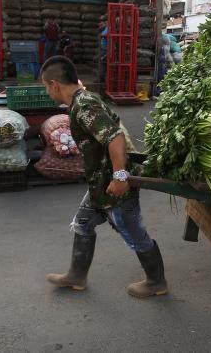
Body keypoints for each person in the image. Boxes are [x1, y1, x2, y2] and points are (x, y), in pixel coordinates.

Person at [41, 56, 168, 298]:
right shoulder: (82, 100)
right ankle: (77, 275)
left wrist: (121, 177)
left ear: (55, 84)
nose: (48, 93)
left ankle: (157, 281)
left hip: (114, 186)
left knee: (134, 234)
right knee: (83, 222)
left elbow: (114, 138)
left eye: (47, 87)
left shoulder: (84, 106)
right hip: (99, 184)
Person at [98, 20, 108, 94]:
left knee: (103, 65)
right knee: (101, 64)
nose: (100, 27)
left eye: (101, 25)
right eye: (99, 26)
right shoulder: (104, 29)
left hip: (106, 50)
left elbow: (109, 36)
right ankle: (101, 80)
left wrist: (102, 36)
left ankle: (102, 82)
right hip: (103, 49)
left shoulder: (108, 29)